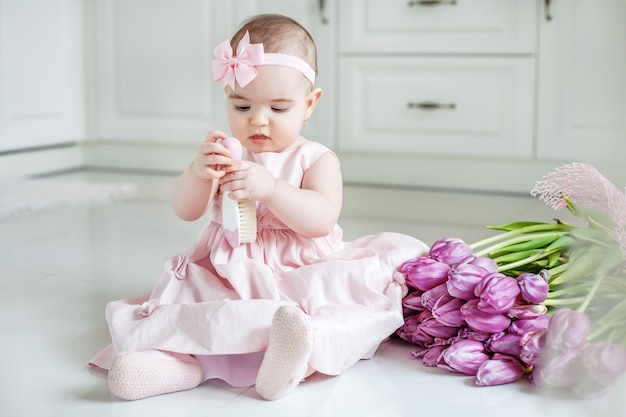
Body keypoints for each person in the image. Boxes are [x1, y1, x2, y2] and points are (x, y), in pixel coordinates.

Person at [89, 14, 428, 401]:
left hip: (296, 268)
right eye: (242, 105)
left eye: (279, 109)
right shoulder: (228, 155)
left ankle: (292, 361)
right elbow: (185, 209)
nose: (258, 120)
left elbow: (321, 219)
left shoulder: (315, 158)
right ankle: (174, 366)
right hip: (228, 269)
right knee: (202, 308)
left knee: (323, 313)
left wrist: (272, 189)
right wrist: (199, 173)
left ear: (309, 104)